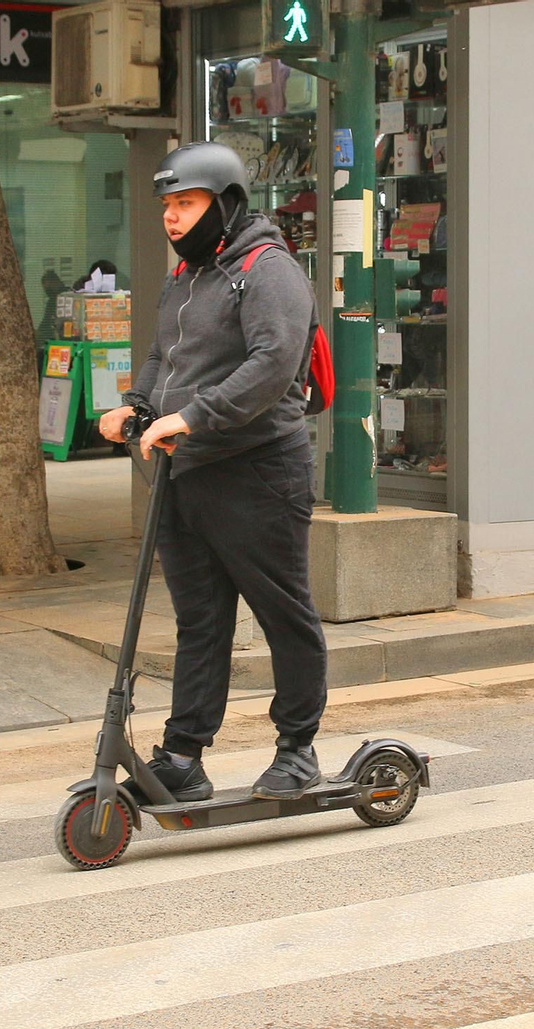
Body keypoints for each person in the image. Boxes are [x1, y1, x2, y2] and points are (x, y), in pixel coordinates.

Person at [98, 141, 327, 803]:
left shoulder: (267, 269)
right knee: (200, 620)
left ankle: (297, 749)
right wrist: (138, 405)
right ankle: (183, 756)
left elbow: (273, 365)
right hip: (184, 471)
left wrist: (194, 416)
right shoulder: (186, 274)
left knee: (283, 612)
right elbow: (162, 354)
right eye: (168, 206)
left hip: (257, 469)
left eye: (187, 203)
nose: (172, 217)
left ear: (224, 203)